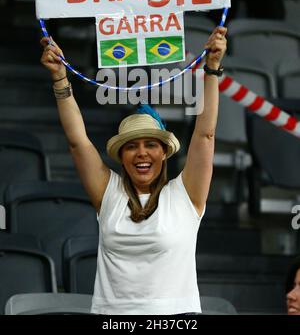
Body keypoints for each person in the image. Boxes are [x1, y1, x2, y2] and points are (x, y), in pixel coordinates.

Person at [40, 25, 227, 315]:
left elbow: (205, 135)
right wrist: (59, 77)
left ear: (164, 153)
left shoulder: (185, 193)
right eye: (132, 146)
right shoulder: (109, 193)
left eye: (151, 144)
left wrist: (212, 70)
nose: (141, 152)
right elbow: (78, 142)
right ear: (121, 156)